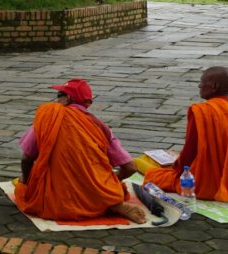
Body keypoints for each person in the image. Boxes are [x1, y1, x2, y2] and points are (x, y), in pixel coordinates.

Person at [14, 79, 146, 223]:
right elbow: (130, 167)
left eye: (59, 95)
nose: (56, 99)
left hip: (57, 202)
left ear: (68, 98)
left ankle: (105, 202)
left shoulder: (49, 119)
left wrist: (26, 182)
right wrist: (110, 183)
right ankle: (110, 204)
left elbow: (26, 159)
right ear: (88, 103)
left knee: (22, 190)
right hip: (96, 196)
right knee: (104, 184)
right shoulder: (99, 126)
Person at [142, 67, 228, 201]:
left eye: (202, 82)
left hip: (208, 183)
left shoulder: (201, 112)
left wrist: (178, 168)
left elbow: (190, 151)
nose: (199, 85)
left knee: (153, 174)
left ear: (214, 86)